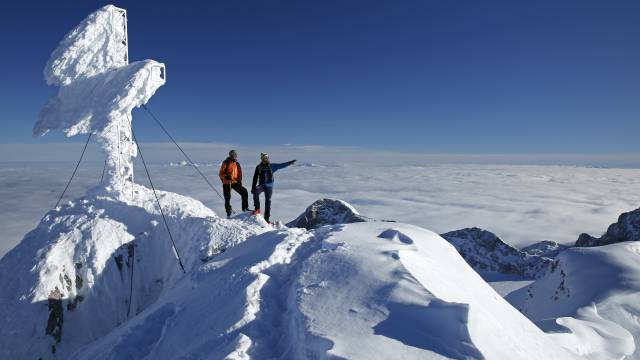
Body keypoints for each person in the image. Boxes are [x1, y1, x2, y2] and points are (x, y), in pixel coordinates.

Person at [251, 153, 296, 223]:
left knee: (268, 201)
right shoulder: (258, 167)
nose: (265, 160)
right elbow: (255, 177)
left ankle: (266, 219)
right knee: (255, 191)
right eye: (264, 158)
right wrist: (253, 187)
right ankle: (257, 209)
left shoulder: (271, 166)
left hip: (269, 187)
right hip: (262, 185)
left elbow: (281, 165)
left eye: (266, 158)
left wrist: (289, 163)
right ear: (262, 159)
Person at [219, 149, 249, 218]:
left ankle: (245, 209)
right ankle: (228, 213)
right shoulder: (225, 162)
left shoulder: (237, 164)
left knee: (244, 192)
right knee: (227, 198)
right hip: (227, 182)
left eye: (235, 155)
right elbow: (220, 173)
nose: (234, 156)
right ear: (230, 155)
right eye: (232, 155)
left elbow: (239, 174)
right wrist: (226, 176)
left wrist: (239, 181)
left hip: (234, 182)